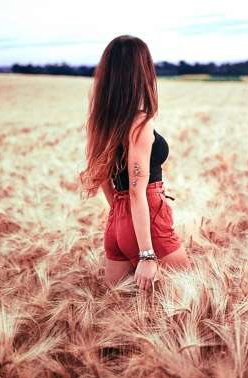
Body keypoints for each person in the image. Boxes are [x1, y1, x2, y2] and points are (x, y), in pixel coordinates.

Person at [79, 35, 191, 291]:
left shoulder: (101, 122)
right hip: (148, 221)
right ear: (141, 72)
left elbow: (103, 176)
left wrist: (122, 218)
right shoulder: (140, 124)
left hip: (116, 220)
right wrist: (147, 254)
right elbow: (136, 190)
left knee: (117, 306)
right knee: (188, 288)